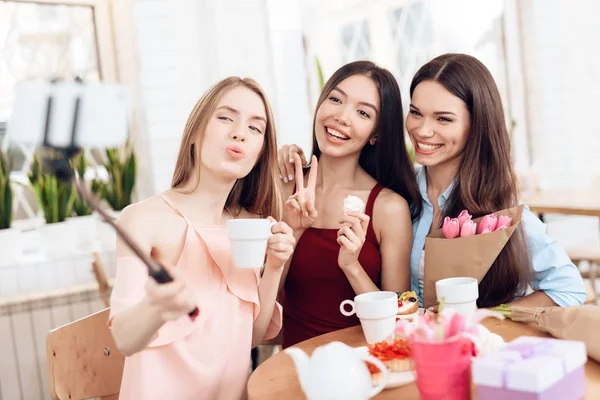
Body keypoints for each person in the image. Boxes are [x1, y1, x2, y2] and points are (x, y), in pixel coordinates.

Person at [108, 77, 295, 400]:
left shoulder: (248, 227)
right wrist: (157, 306)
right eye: (225, 117)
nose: (239, 132)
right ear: (195, 131)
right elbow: (124, 339)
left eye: (255, 128)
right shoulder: (143, 220)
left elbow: (248, 338)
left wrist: (276, 265)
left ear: (259, 152)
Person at [407, 53, 586, 308]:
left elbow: (568, 289)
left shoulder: (500, 209)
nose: (422, 130)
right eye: (415, 112)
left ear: (476, 125)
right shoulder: (399, 191)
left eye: (443, 118)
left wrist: (492, 317)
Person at [277, 61, 422, 348]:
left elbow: (401, 319)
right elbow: (257, 304)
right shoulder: (283, 187)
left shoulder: (389, 207)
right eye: (335, 99)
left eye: (362, 112)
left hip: (368, 370)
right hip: (293, 369)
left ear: (376, 133)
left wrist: (352, 266)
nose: (342, 117)